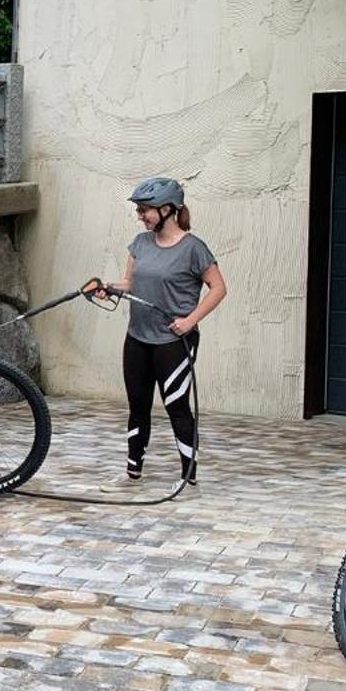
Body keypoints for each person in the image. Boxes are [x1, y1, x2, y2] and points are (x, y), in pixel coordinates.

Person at [100, 177, 227, 486]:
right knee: (137, 406)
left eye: (146, 210)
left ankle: (188, 476)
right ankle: (132, 472)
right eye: (139, 210)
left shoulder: (193, 248)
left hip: (174, 341)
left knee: (177, 407)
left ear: (168, 209)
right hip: (137, 337)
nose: (141, 216)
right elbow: (130, 284)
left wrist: (190, 320)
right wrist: (108, 288)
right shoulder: (140, 243)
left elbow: (219, 288)